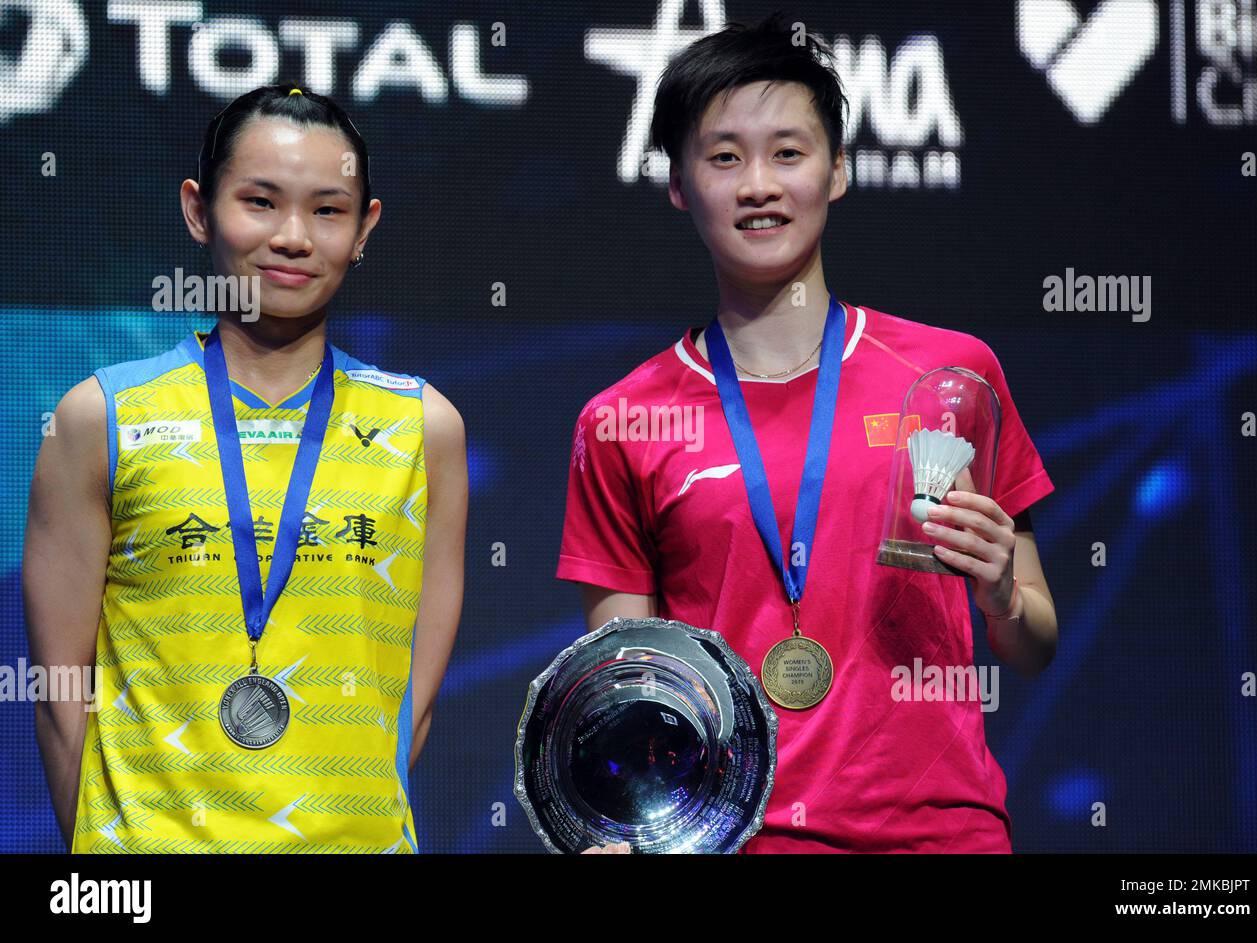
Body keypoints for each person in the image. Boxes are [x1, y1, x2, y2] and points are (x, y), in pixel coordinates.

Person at [558, 16, 1058, 853]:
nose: (759, 184)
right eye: (724, 157)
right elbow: (624, 689)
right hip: (730, 840)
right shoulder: (622, 420)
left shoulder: (953, 378)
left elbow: (1034, 645)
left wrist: (1005, 589)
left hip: (943, 834)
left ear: (839, 172)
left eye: (788, 152)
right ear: (679, 183)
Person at [23, 84, 467, 853]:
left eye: (327, 210)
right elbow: (62, 695)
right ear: (199, 210)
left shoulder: (423, 427)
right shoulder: (102, 417)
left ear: (365, 229)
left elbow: (410, 707)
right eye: (260, 202)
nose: (293, 236)